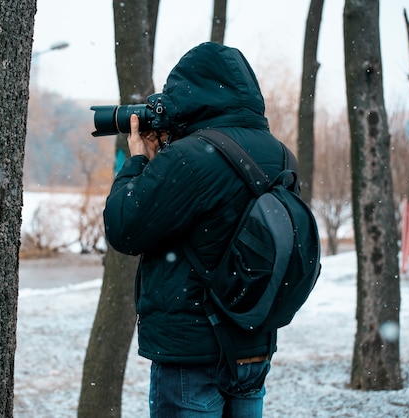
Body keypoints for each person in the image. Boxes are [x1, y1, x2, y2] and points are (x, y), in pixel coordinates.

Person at [103, 42, 297, 417]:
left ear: (187, 96)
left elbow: (124, 226)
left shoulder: (190, 158)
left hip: (191, 351)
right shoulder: (280, 155)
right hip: (253, 343)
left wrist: (139, 161)